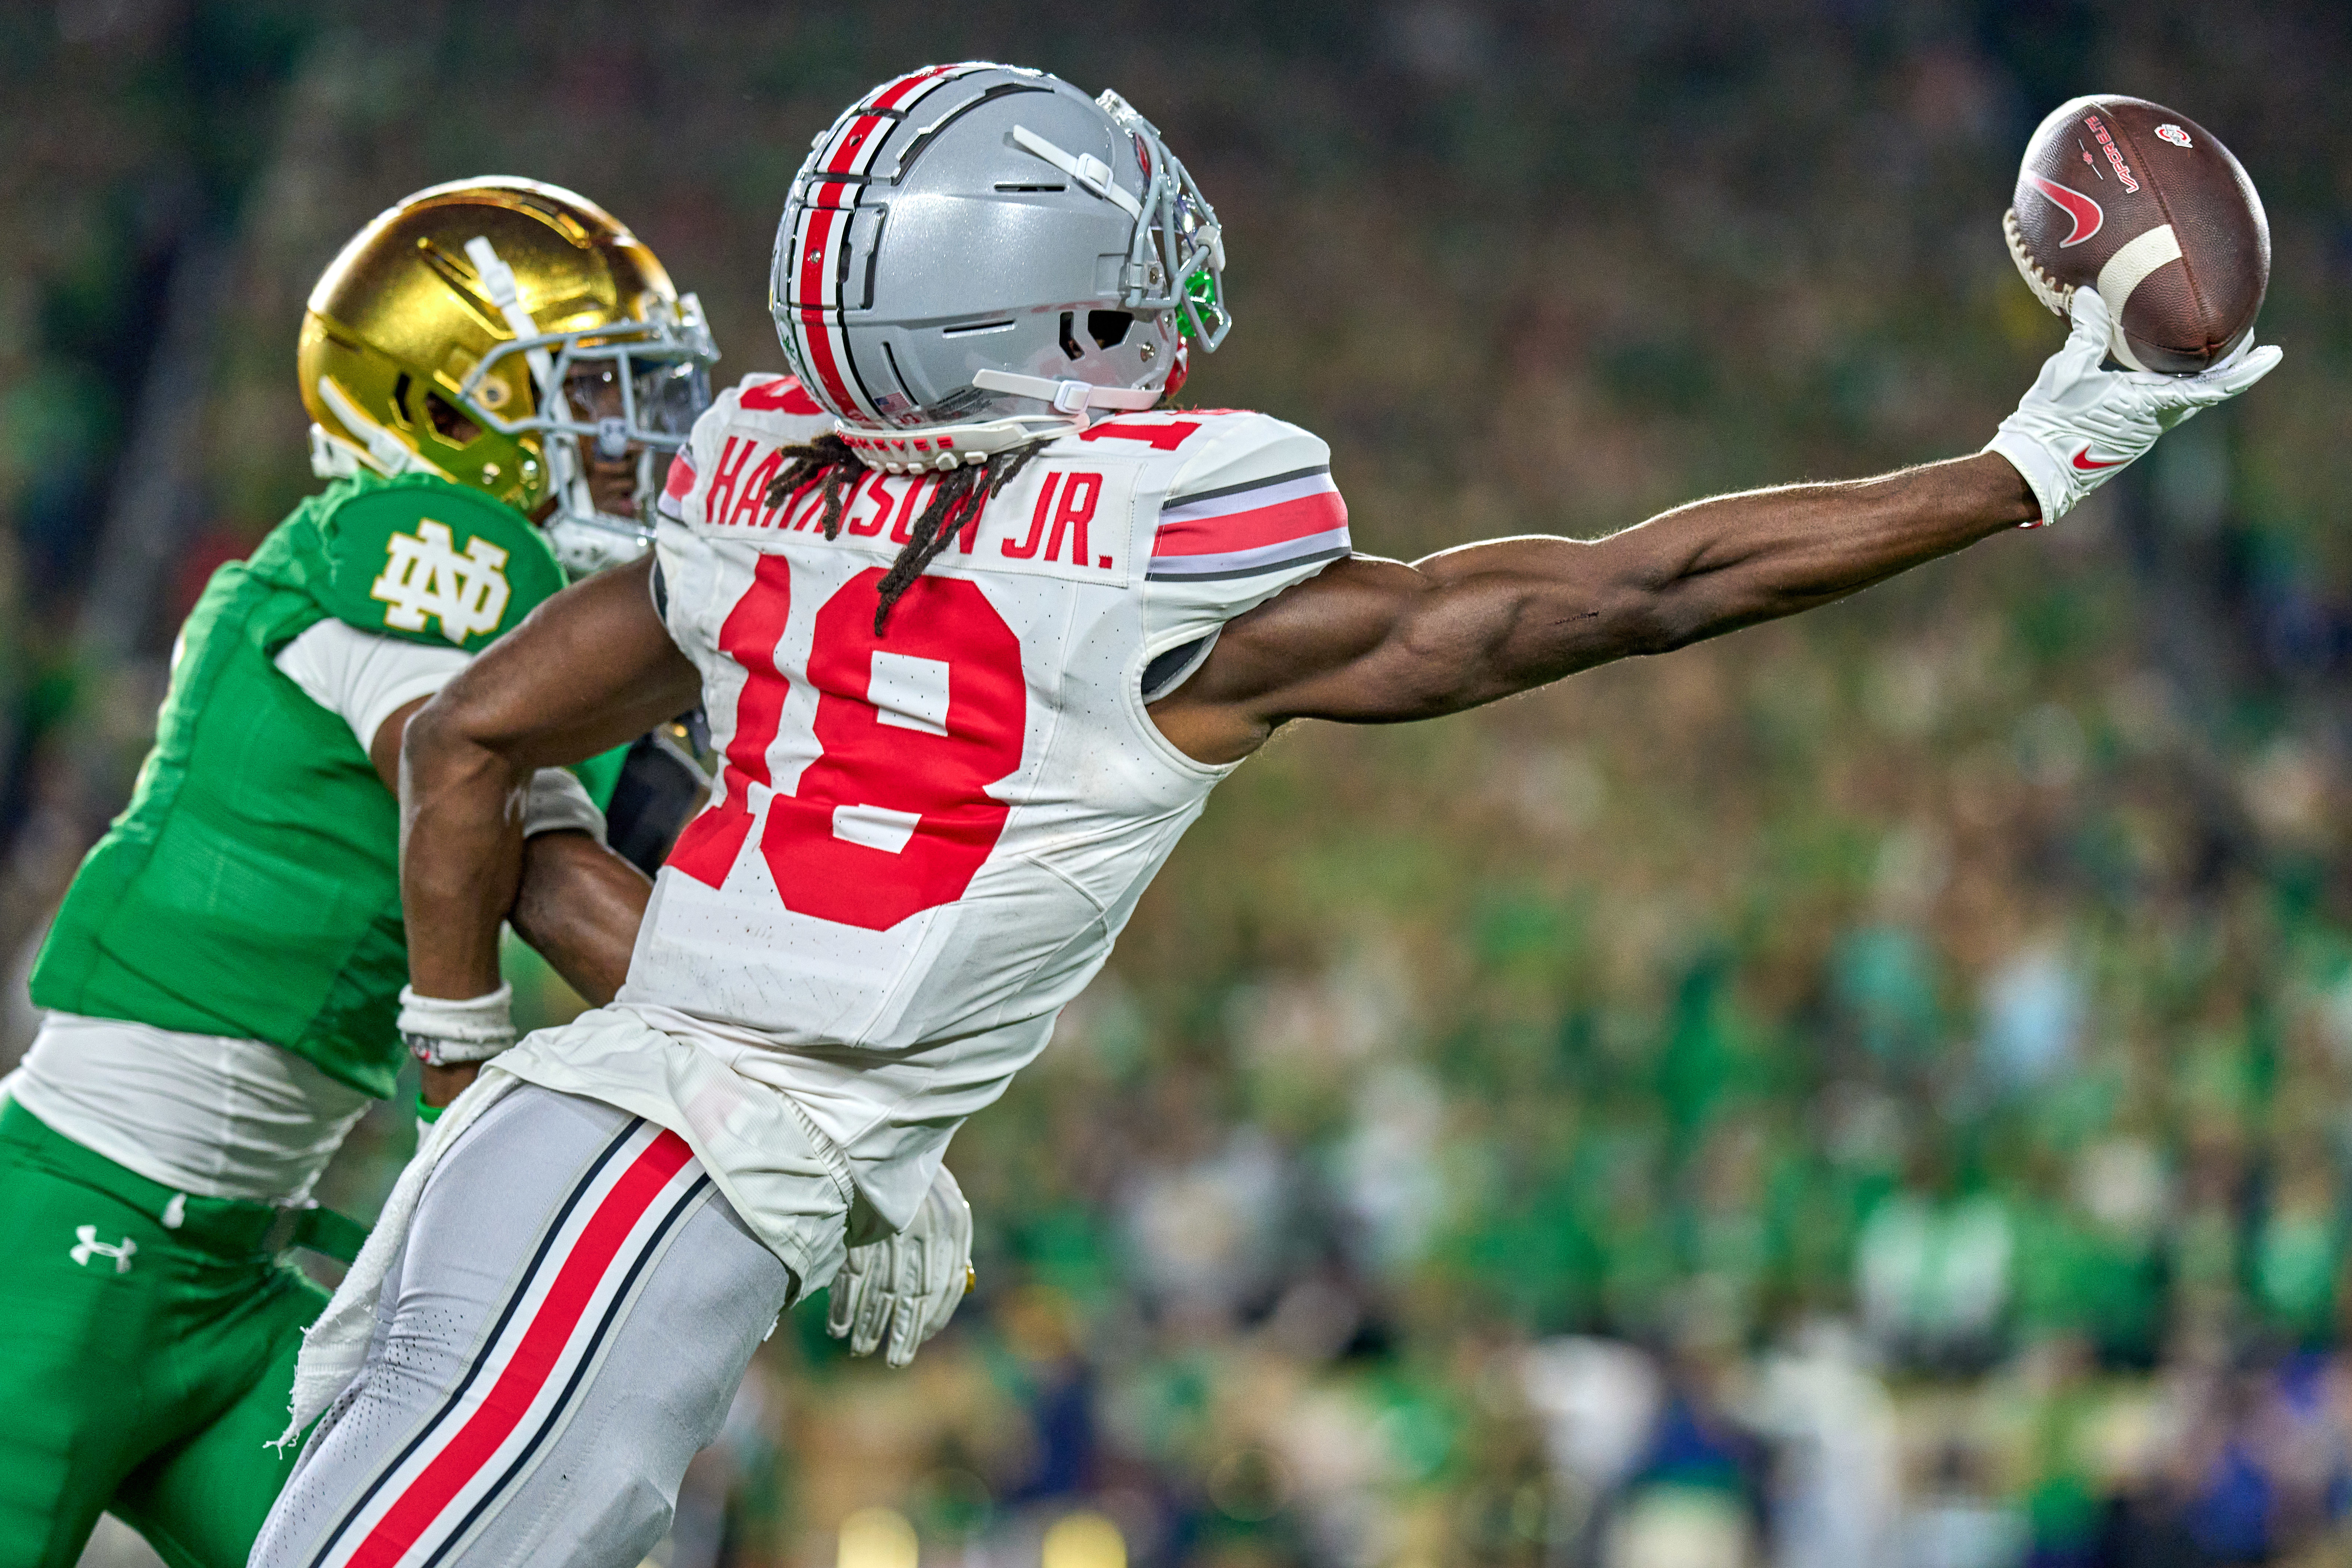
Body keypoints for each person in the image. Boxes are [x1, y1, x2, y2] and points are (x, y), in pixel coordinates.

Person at [254, 63, 2280, 1568]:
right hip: (633, 1211)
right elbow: (1630, 591)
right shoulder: (1142, 584)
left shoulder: (746, 488)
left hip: (575, 1158)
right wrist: (2026, 462)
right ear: (1018, 318)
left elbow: (468, 749)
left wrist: (496, 1065)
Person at [0, 177, 718, 1568]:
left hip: (230, 1272)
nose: (636, 446)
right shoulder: (403, 548)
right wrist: (796, 1086)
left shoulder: (510, 625)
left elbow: (694, 884)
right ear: (448, 413)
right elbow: (543, 869)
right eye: (592, 397)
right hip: (66, 1228)